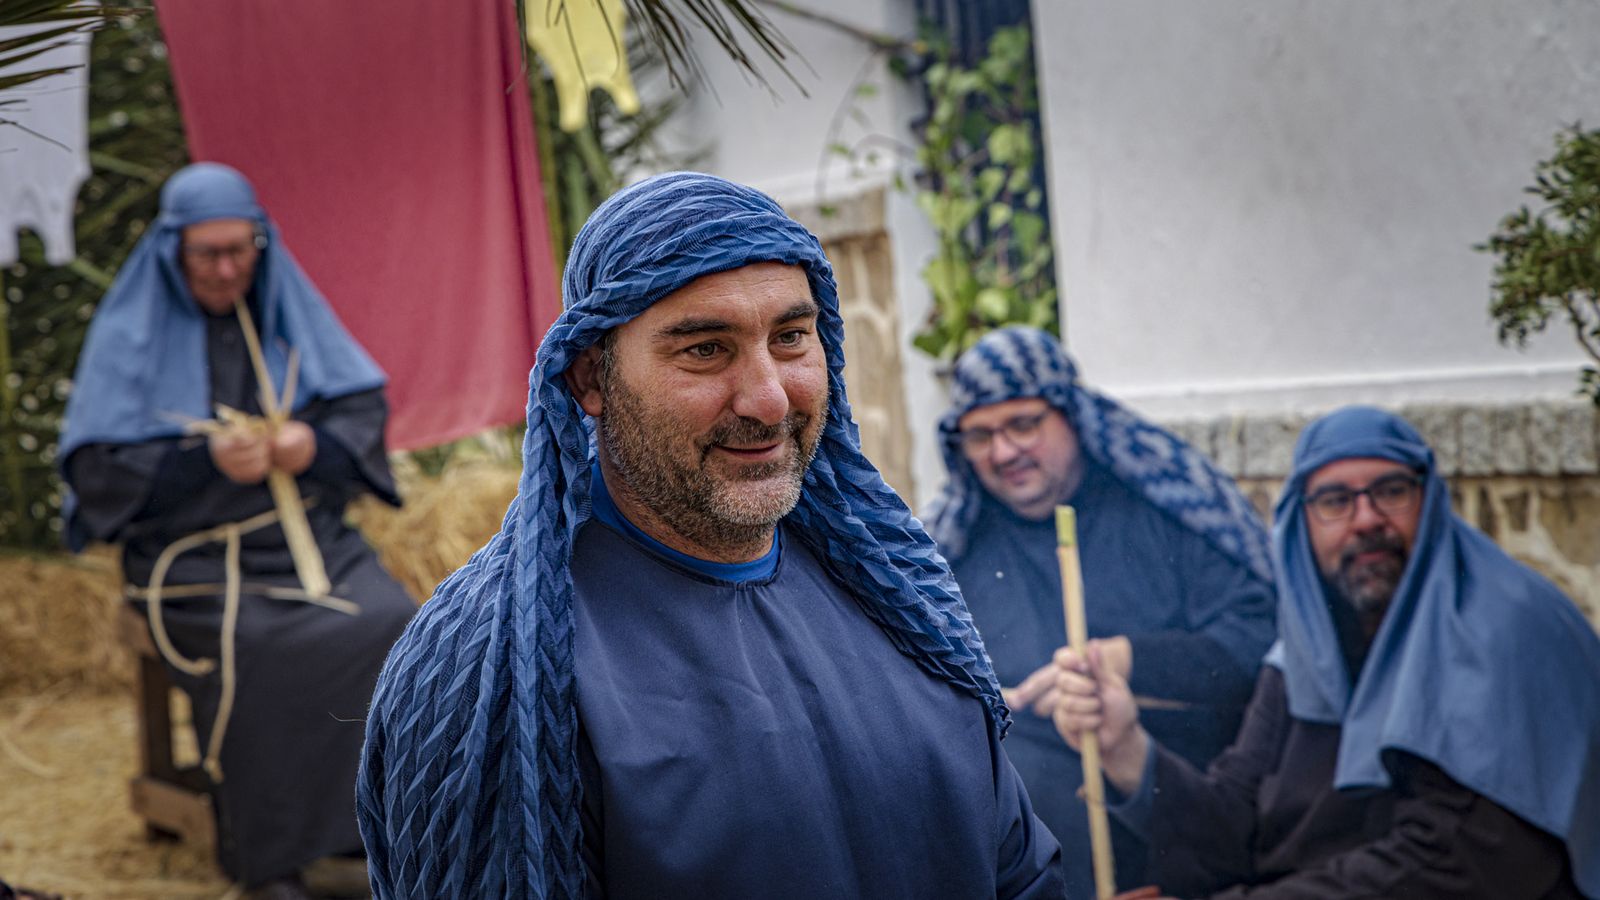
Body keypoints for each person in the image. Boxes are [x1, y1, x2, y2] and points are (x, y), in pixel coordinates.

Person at [356, 172, 1065, 898]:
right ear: (590, 379)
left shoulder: (896, 592)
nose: (767, 398)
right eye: (705, 350)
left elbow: (1019, 872)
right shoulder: (496, 663)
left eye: (791, 337)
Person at [1051, 406, 1600, 899]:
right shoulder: (1308, 650)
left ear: (1428, 501)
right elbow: (1236, 827)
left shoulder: (1504, 631)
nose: (1366, 520)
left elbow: (1458, 863)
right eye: (1335, 501)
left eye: (1390, 491)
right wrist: (1126, 745)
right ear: (1302, 524)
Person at [59, 162, 416, 900]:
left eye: (240, 249)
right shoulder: (131, 335)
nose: (227, 270)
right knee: (260, 645)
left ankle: (377, 832)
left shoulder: (286, 311)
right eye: (207, 254)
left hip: (308, 542)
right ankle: (273, 862)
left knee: (393, 623)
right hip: (192, 559)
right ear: (173, 254)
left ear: (261, 244)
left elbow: (360, 418)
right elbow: (97, 471)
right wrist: (202, 462)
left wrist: (310, 448)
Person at [926, 325, 1277, 897]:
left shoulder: (1169, 506)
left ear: (1074, 416)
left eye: (1024, 424)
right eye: (981, 434)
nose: (1004, 451)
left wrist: (1126, 661)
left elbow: (1260, 640)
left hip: (1180, 824)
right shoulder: (950, 547)